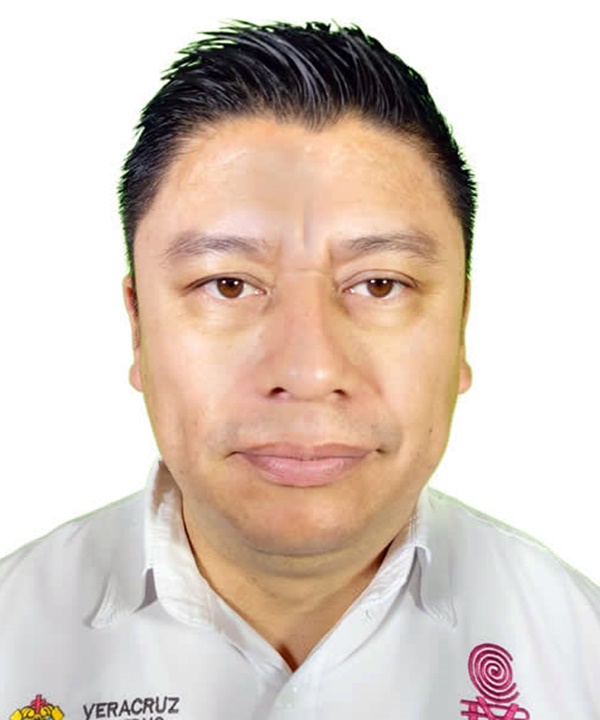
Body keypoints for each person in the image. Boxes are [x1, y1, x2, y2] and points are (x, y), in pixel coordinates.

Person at [1, 18, 598, 718]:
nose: (310, 371)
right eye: (228, 284)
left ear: (461, 325)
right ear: (138, 329)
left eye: (380, 284)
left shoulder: (581, 655)